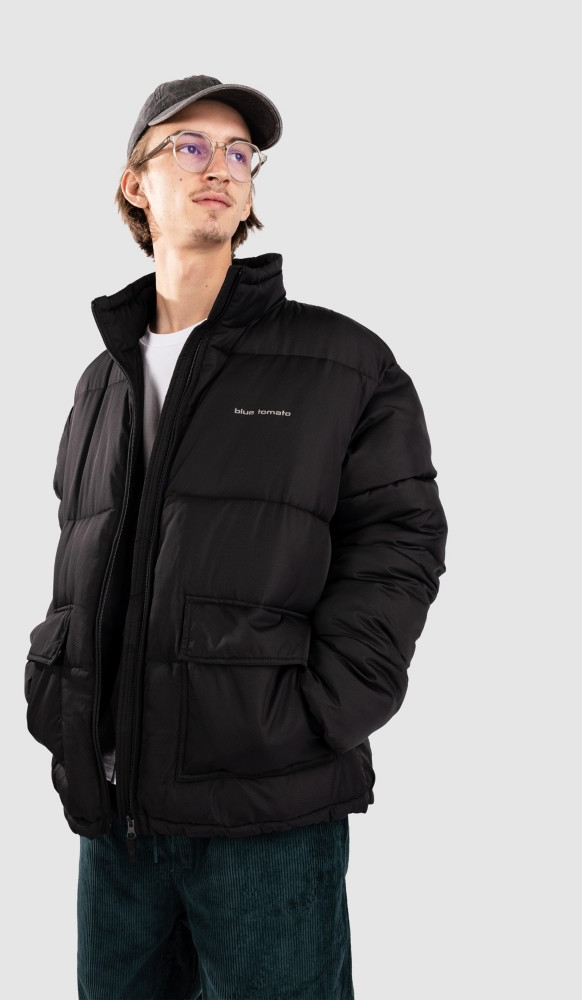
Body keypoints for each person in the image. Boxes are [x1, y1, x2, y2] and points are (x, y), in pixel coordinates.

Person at [24, 74, 448, 1000]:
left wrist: (320, 709)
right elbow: (80, 557)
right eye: (189, 146)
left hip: (268, 817)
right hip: (115, 818)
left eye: (238, 151)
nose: (218, 166)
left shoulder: (343, 362)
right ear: (136, 184)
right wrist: (58, 694)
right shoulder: (102, 381)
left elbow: (403, 538)